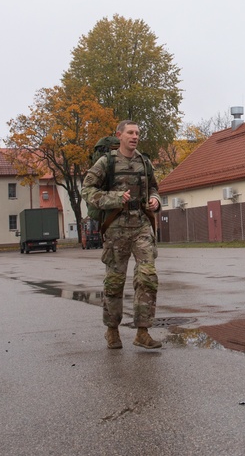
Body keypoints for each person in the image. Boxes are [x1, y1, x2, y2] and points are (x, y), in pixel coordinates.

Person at [82, 120, 162, 350]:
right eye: (130, 132)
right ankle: (112, 330)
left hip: (141, 226)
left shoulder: (144, 162)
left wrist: (155, 200)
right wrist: (114, 199)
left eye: (137, 133)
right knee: (115, 282)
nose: (135, 136)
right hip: (115, 227)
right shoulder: (106, 162)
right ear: (119, 135)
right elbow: (87, 190)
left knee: (147, 276)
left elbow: (154, 187)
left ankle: (143, 332)